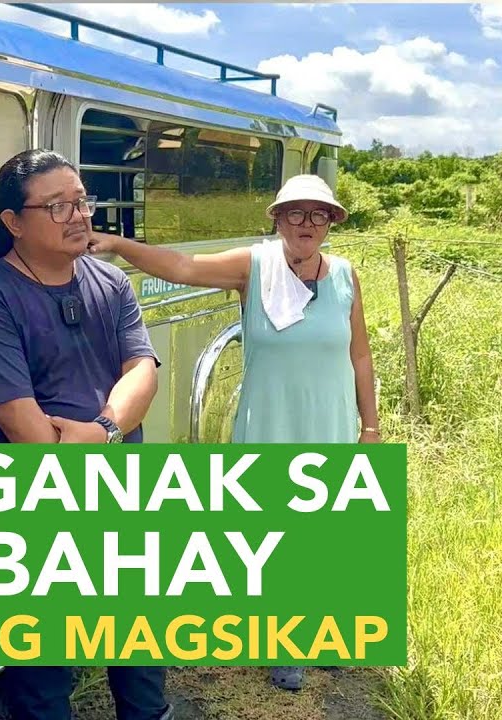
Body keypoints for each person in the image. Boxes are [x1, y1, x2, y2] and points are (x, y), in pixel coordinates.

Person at [86, 173, 379, 690]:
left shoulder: (346, 277)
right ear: (278, 220)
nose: (305, 224)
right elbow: (183, 267)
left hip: (330, 419)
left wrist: (371, 425)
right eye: (294, 213)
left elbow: (359, 354)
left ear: (332, 221)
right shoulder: (256, 266)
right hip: (272, 420)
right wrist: (115, 243)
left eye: (317, 214)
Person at [0, 148, 170, 720]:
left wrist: (100, 431)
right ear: (13, 223)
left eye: (81, 201)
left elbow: (140, 373)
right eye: (58, 206)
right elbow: (23, 424)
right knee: (43, 665)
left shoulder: (110, 282)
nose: (78, 215)